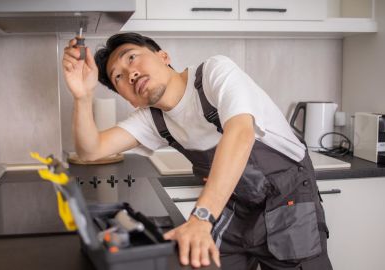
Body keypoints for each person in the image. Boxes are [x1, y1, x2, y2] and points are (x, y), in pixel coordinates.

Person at [62, 32, 333, 270]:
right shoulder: (152, 119)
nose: (129, 73)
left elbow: (240, 133)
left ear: (163, 56)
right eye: (117, 77)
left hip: (287, 202)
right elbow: (91, 150)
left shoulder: (214, 72)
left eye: (131, 57)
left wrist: (201, 217)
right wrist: (82, 96)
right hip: (233, 208)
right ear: (128, 99)